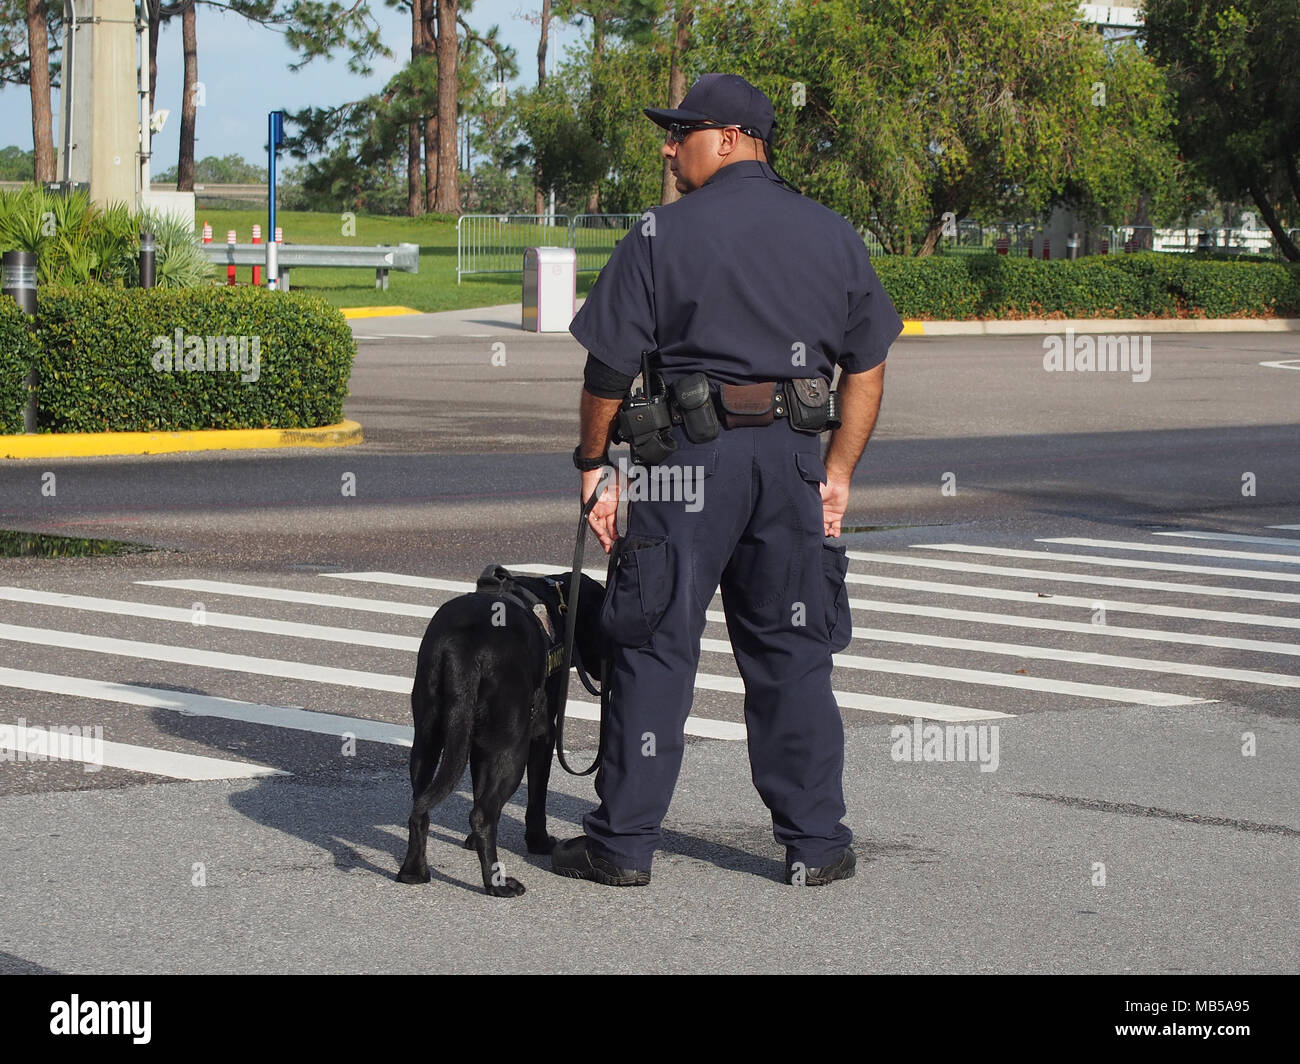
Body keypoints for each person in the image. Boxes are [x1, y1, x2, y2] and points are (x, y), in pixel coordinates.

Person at [552, 73, 902, 888]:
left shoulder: (658, 235)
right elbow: (869, 365)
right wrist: (838, 472)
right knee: (792, 649)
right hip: (791, 463)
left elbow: (607, 367)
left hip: (685, 466)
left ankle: (624, 844)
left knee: (652, 643)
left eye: (685, 132)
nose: (671, 148)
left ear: (735, 137)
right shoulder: (831, 234)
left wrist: (593, 464)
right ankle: (816, 846)